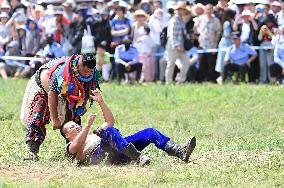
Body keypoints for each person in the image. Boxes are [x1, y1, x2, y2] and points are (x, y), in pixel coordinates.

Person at [60, 89, 196, 166]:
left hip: (120, 151)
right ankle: (138, 158)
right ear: (67, 135)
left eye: (77, 124)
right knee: (109, 132)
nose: (76, 126)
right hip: (102, 156)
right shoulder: (71, 147)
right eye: (72, 126)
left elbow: (110, 121)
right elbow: (77, 145)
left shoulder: (93, 135)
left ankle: (179, 151)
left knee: (150, 132)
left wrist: (101, 102)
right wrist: (88, 125)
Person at [20, 53, 100, 161]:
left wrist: (84, 103)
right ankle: (32, 151)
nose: (87, 74)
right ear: (79, 65)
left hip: (68, 95)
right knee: (38, 115)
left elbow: (88, 89)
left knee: (74, 119)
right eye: (85, 71)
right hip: (44, 89)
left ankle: (75, 150)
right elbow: (52, 94)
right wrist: (55, 119)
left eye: (89, 71)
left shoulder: (92, 73)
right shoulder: (61, 71)